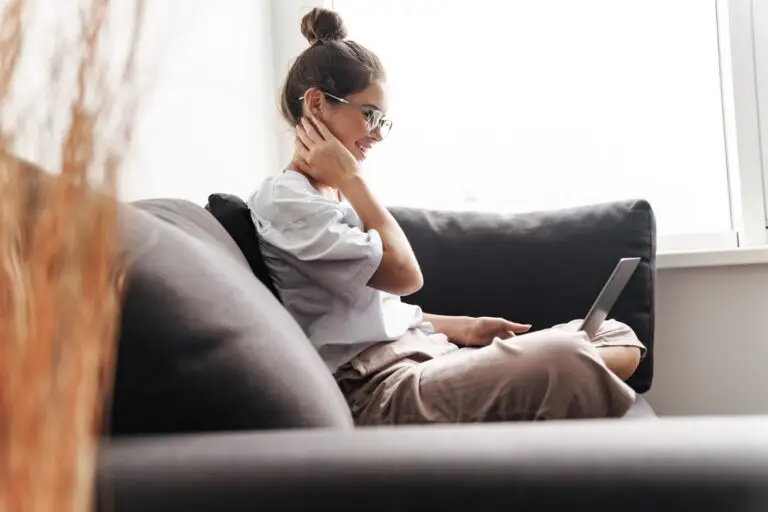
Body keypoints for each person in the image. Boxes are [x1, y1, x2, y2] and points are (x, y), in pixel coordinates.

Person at [248, 7, 646, 425]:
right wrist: (351, 176)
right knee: (567, 355)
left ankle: (539, 387)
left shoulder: (325, 201)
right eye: (369, 114)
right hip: (379, 388)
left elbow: (371, 310)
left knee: (613, 334)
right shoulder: (286, 202)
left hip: (418, 354)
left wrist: (467, 328)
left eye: (382, 120)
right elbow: (406, 275)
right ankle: (548, 384)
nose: (378, 134)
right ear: (316, 105)